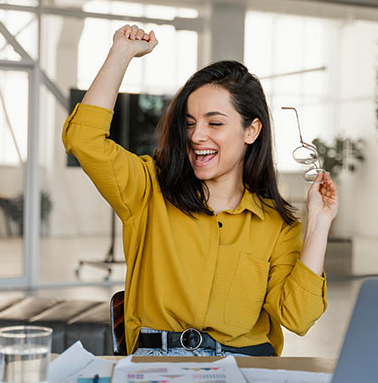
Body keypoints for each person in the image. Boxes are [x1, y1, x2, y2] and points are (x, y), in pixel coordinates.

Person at [62, 24, 338, 357]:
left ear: (251, 131)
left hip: (244, 363)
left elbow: (298, 317)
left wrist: (319, 224)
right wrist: (121, 53)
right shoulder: (148, 189)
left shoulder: (277, 225)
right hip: (159, 361)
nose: (196, 136)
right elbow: (84, 140)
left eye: (215, 123)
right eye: (190, 122)